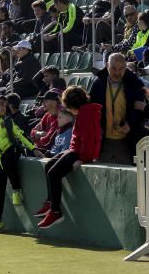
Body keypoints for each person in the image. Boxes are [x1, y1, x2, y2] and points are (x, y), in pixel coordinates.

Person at [0, 94, 44, 234]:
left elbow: (20, 135)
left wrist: (34, 148)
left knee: (8, 159)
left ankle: (16, 190)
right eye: (1, 104)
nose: (4, 107)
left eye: (5, 105)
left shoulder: (7, 120)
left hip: (12, 150)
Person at [35, 85, 102, 229]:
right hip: (74, 150)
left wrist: (82, 159)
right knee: (48, 165)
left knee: (53, 173)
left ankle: (56, 211)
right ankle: (50, 203)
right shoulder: (83, 113)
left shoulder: (85, 115)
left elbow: (90, 140)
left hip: (79, 153)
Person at [90, 53, 145, 164]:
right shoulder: (98, 84)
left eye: (121, 69)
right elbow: (92, 110)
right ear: (106, 65)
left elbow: (139, 110)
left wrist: (130, 123)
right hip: (103, 141)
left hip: (127, 140)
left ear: (126, 67)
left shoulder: (135, 84)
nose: (117, 72)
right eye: (113, 68)